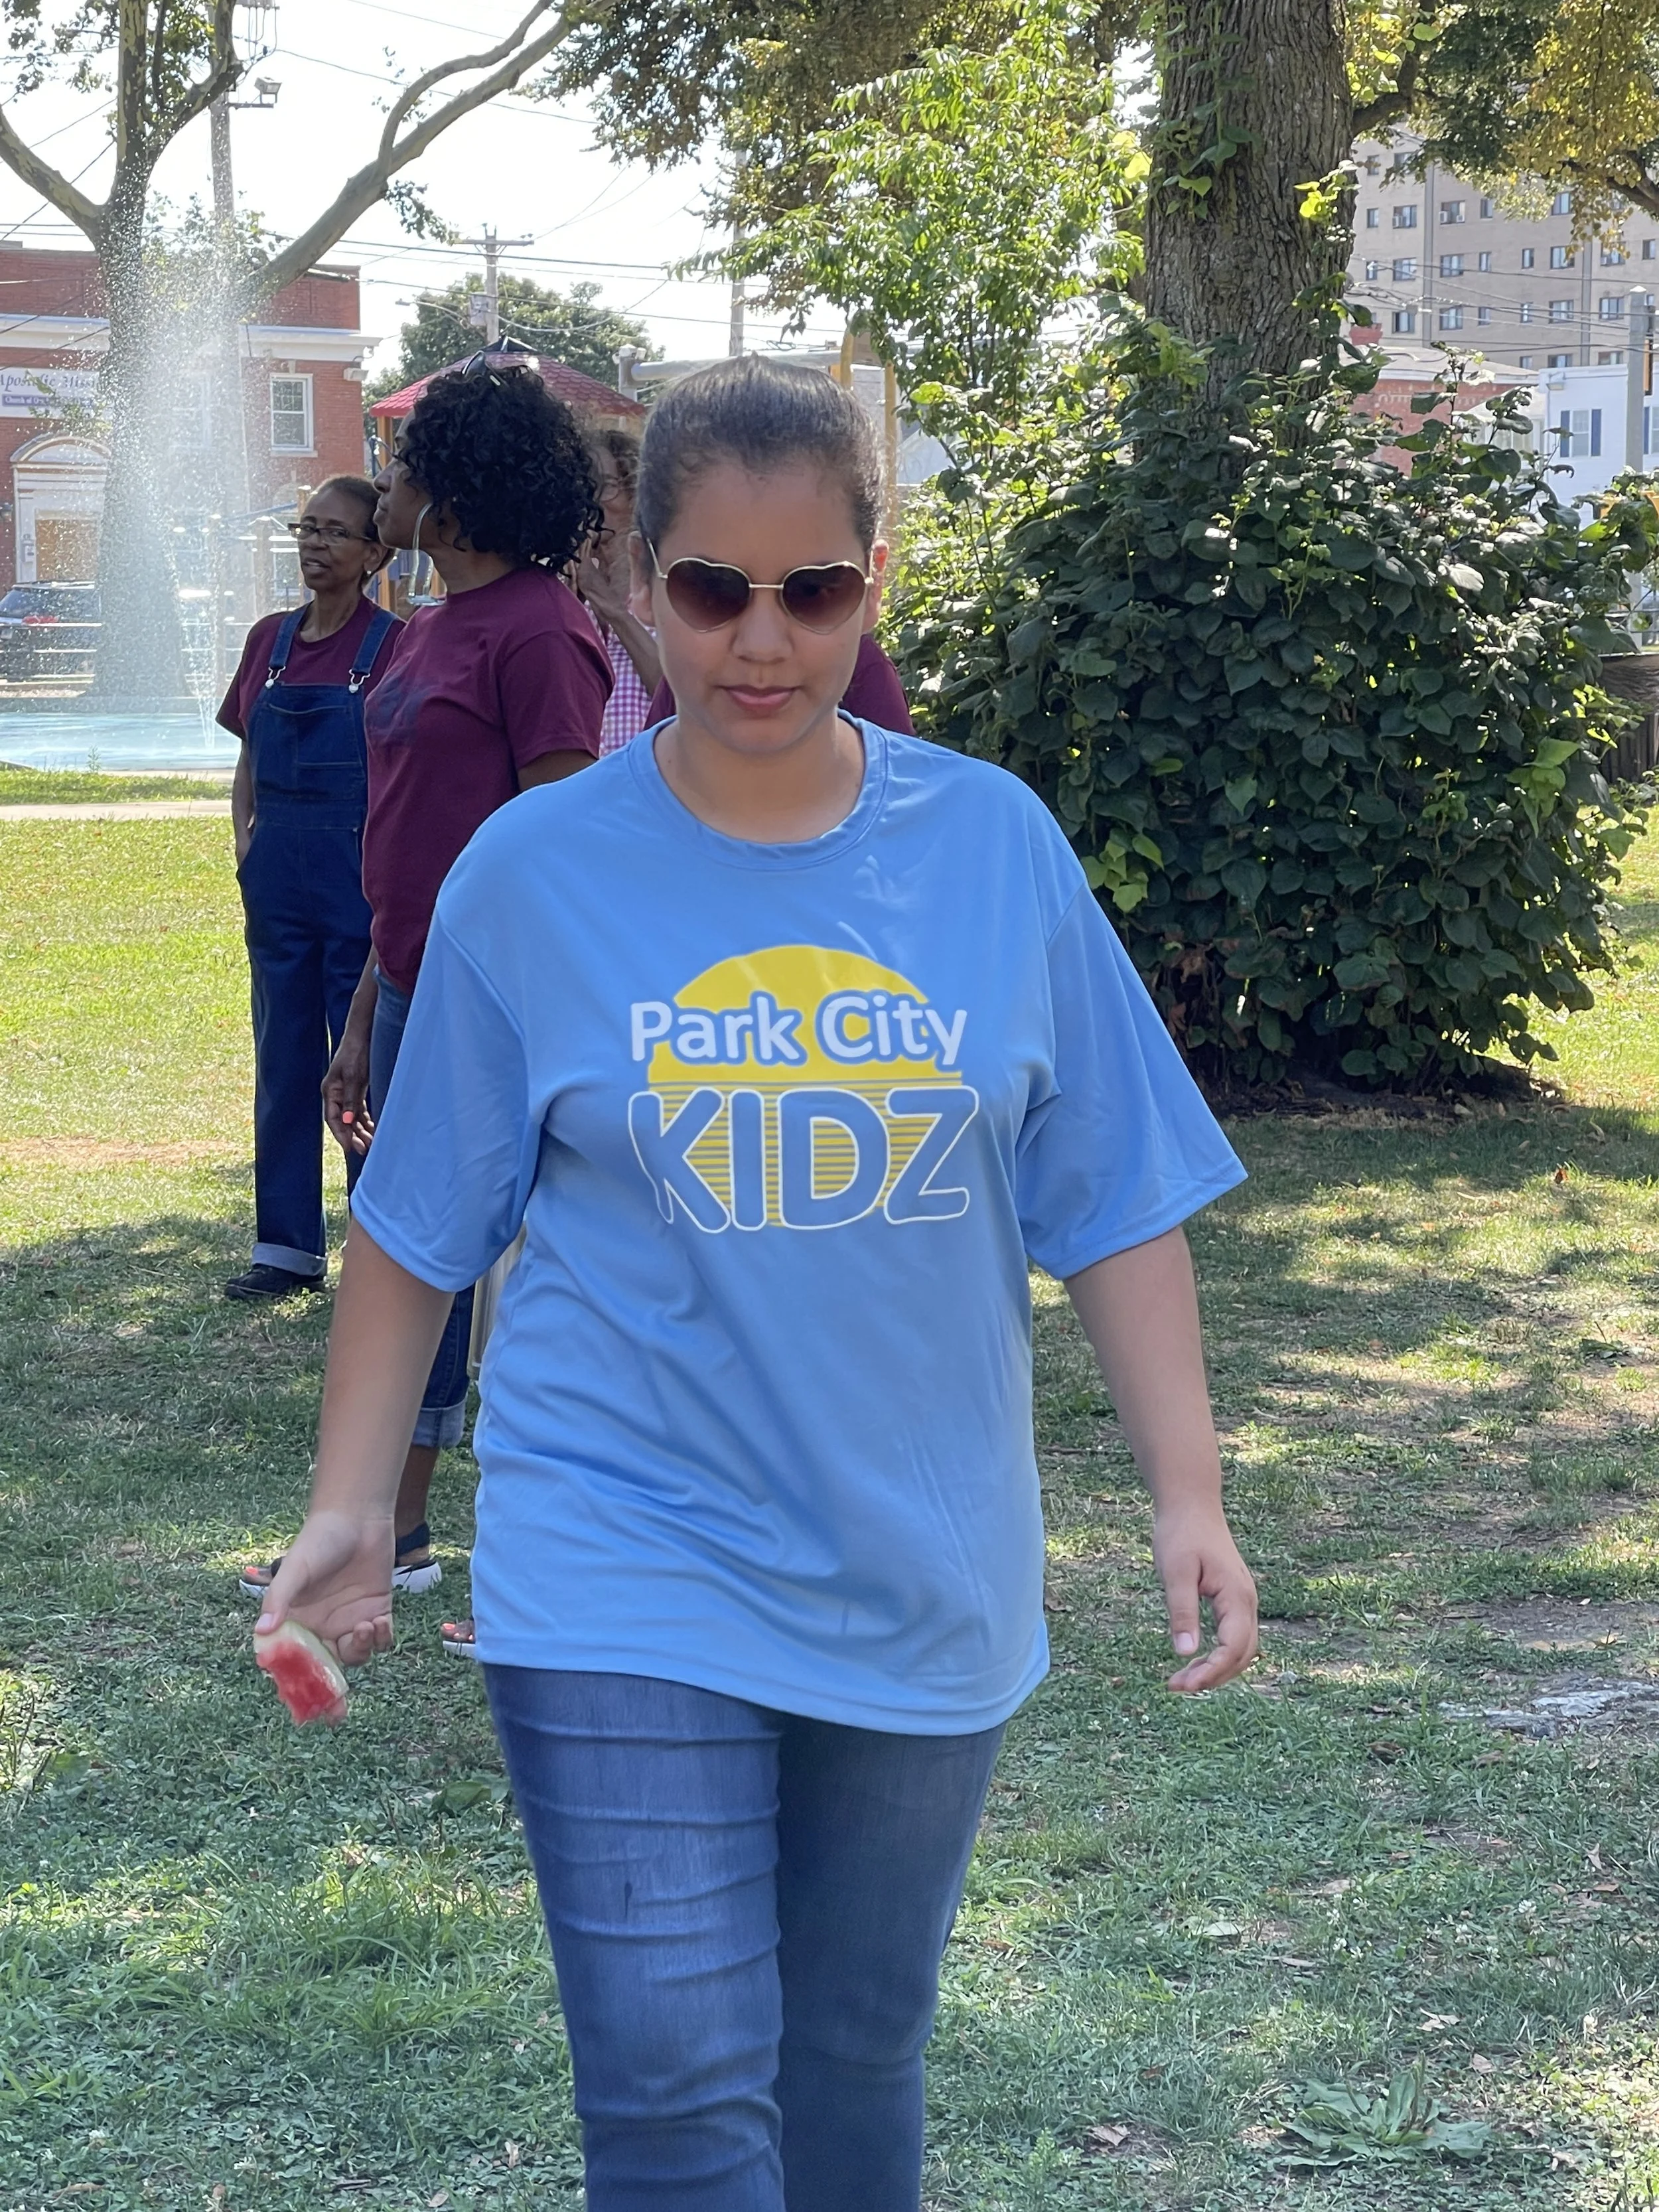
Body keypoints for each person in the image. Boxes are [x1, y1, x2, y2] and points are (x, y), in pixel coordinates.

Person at [254, 355, 1258, 2211]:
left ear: (876, 579)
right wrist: (347, 1506)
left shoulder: (993, 846)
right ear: (639, 581)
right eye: (715, 589)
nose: (765, 640)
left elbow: (1115, 1198)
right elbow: (415, 1227)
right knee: (673, 2078)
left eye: (816, 589)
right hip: (616, 1545)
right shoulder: (532, 873)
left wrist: (1186, 1494)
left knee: (851, 2050)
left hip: (918, 1553)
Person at [239, 356, 610, 1605]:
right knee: (403, 1249)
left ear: (454, 497)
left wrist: (481, 1004)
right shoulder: (432, 627)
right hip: (404, 983)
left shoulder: (541, 627)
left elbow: (561, 842)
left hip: (498, 1000)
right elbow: (406, 841)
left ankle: (426, 1531)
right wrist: (362, 1014)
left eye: (400, 470)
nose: (382, 486)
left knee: (456, 1255)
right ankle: (385, 1529)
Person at [219, 476, 397, 1302]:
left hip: (357, 879)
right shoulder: (270, 641)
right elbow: (247, 754)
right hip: (277, 881)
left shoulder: (393, 647)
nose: (315, 545)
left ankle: (377, 1245)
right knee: (282, 1056)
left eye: (335, 532)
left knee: (363, 1064)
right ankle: (285, 1247)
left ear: (374, 553)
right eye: (307, 528)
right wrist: (245, 841)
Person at [572, 425, 662, 753]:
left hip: (651, 776)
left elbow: (674, 694)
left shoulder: (662, 584)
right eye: (585, 487)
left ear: (636, 495)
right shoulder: (575, 601)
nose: (594, 502)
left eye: (607, 487)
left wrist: (612, 608)